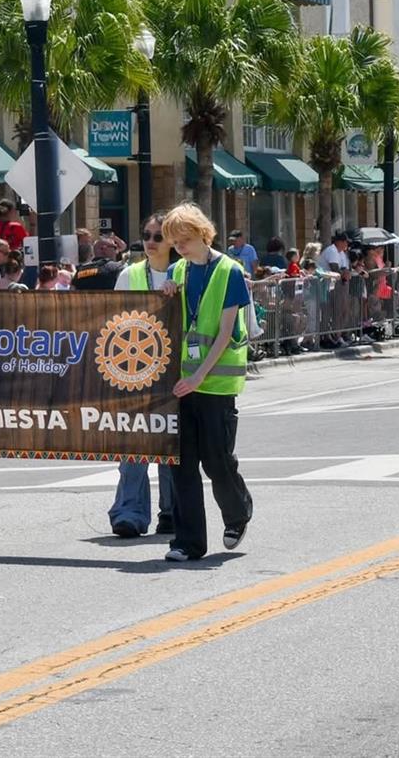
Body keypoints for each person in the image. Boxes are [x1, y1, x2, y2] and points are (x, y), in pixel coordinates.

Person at [159, 203, 254, 564]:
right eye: (174, 242)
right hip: (182, 382)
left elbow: (226, 332)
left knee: (216, 461)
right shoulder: (177, 270)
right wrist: (167, 293)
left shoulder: (230, 271)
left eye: (184, 240)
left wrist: (199, 376)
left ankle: (237, 511)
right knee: (181, 463)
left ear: (202, 233)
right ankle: (188, 542)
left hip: (215, 384)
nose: (179, 248)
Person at [109, 213, 176, 539]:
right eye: (146, 235)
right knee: (134, 445)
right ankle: (129, 512)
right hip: (134, 372)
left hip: (176, 374)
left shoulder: (188, 274)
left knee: (170, 447)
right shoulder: (129, 275)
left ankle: (172, 513)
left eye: (157, 236)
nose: (150, 241)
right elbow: (113, 320)